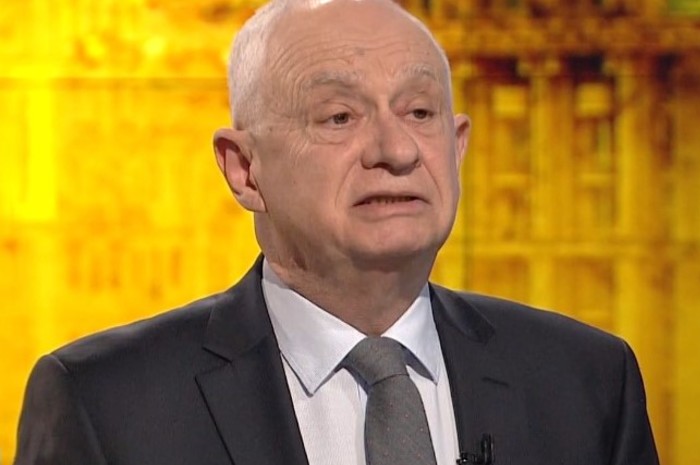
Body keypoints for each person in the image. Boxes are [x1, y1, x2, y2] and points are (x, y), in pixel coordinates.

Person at [14, 0, 659, 464]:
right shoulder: (104, 405)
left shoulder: (588, 382)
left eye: (419, 112)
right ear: (244, 170)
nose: (396, 150)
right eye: (339, 117)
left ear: (457, 147)